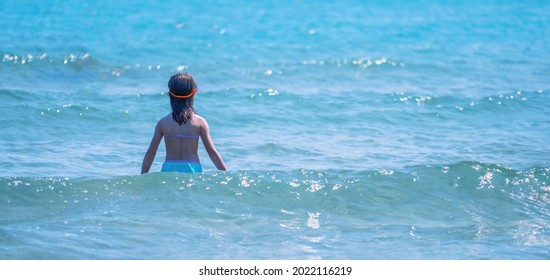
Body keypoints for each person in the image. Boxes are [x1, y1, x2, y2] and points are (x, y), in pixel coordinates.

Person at [141, 73, 227, 174]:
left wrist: (143, 175)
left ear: (169, 94)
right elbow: (212, 152)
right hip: (192, 169)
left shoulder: (163, 123)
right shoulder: (200, 122)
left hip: (169, 169)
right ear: (193, 93)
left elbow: (151, 152)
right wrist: (225, 174)